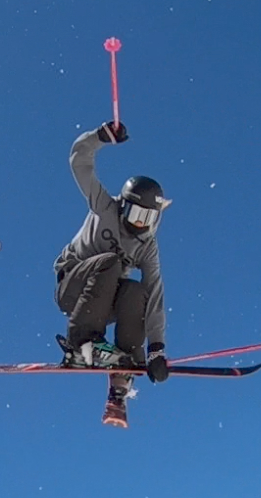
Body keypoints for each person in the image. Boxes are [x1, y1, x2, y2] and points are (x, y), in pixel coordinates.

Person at [54, 120, 172, 428]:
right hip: (72, 285)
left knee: (136, 293)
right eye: (135, 214)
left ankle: (120, 383)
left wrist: (156, 349)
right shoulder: (106, 209)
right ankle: (81, 344)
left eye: (148, 218)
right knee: (110, 262)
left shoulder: (148, 247)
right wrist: (99, 138)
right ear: (124, 206)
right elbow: (79, 161)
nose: (140, 224)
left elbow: (155, 294)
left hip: (102, 301)